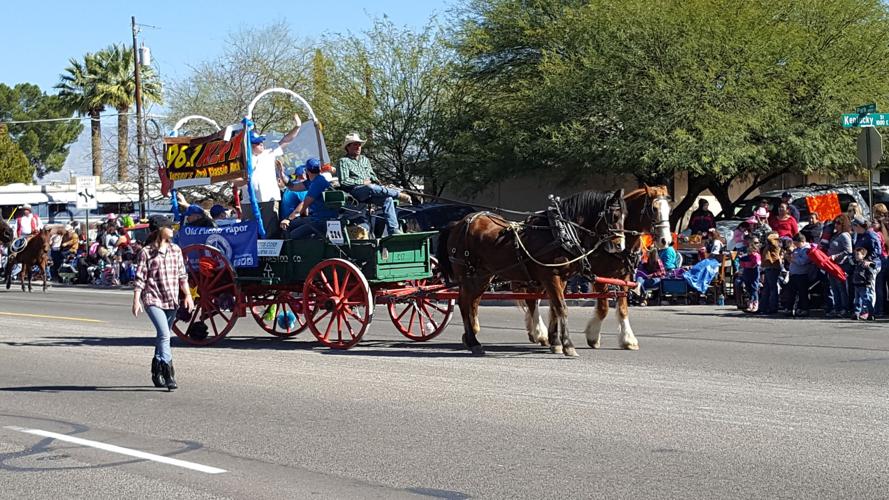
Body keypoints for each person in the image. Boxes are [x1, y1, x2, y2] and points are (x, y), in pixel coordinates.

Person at [132, 215, 193, 391]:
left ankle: (156, 368)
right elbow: (140, 278)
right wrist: (136, 300)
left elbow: (182, 276)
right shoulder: (146, 252)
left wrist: (188, 295)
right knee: (165, 335)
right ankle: (169, 373)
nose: (172, 229)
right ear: (160, 230)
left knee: (162, 336)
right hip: (153, 298)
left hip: (171, 298)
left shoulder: (176, 250)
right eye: (169, 227)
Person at [234, 117, 301, 237]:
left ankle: (271, 256)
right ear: (249, 145)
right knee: (250, 234)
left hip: (269, 200)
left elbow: (286, 140)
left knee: (270, 232)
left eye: (261, 142)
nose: (261, 144)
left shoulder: (269, 154)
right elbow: (235, 182)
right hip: (249, 202)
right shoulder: (241, 161)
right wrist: (244, 180)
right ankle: (255, 255)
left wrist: (297, 126)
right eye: (257, 143)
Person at [336, 132, 411, 236]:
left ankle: (393, 230)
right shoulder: (343, 161)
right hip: (354, 191)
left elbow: (373, 176)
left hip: (370, 191)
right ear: (348, 147)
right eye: (355, 144)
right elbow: (344, 181)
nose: (358, 147)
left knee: (387, 199)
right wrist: (362, 182)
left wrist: (380, 185)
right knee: (370, 187)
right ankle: (397, 194)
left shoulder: (365, 160)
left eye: (359, 145)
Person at [279, 158, 338, 239]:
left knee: (293, 235)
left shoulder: (317, 183)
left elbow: (305, 204)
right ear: (320, 169)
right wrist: (281, 173)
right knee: (292, 225)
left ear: (307, 170)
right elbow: (292, 187)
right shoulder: (312, 181)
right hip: (316, 217)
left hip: (322, 220)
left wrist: (289, 219)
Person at [826, 215, 853, 318]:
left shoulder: (845, 235)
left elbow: (848, 251)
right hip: (831, 265)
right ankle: (837, 308)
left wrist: (835, 256)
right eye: (835, 223)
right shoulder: (834, 235)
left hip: (841, 265)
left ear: (843, 224)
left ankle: (844, 308)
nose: (835, 225)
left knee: (842, 288)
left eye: (838, 223)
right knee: (834, 288)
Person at [785, 233, 813, 317]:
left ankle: (804, 309)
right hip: (794, 274)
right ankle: (789, 309)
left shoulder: (807, 250)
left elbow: (803, 261)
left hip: (802, 274)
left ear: (802, 241)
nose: (795, 245)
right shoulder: (797, 249)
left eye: (796, 243)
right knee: (791, 293)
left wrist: (792, 259)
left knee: (803, 293)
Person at [851, 246, 878, 320]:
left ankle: (871, 313)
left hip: (863, 284)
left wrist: (868, 282)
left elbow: (870, 273)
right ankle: (856, 313)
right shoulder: (856, 264)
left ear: (863, 255)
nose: (856, 256)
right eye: (855, 254)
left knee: (866, 299)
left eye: (858, 254)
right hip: (857, 284)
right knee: (857, 300)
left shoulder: (865, 264)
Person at [760, 232, 783, 315]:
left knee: (773, 288)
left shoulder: (776, 244)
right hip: (768, 267)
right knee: (766, 288)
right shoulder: (769, 245)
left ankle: (773, 307)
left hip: (773, 267)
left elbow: (770, 239)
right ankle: (763, 307)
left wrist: (773, 235)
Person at [739, 237, 761, 313]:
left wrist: (752, 265)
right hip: (747, 272)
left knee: (754, 288)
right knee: (748, 288)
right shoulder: (746, 257)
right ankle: (750, 304)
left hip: (754, 273)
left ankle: (755, 304)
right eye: (748, 250)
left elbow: (757, 263)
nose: (750, 252)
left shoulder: (756, 255)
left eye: (751, 250)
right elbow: (742, 263)